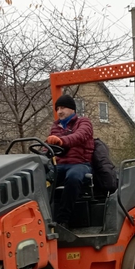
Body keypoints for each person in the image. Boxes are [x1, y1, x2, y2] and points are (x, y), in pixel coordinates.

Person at [46, 93, 94, 225]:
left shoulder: (84, 122)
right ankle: (45, 216)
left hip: (80, 164)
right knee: (41, 176)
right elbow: (50, 146)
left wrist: (61, 141)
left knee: (73, 177)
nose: (59, 112)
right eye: (58, 109)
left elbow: (80, 136)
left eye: (62, 108)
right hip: (60, 165)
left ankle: (63, 220)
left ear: (72, 109)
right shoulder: (56, 127)